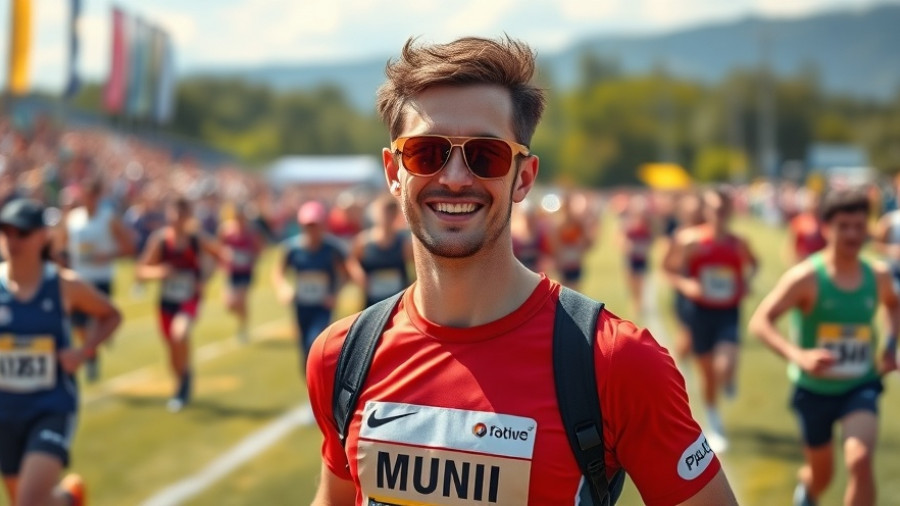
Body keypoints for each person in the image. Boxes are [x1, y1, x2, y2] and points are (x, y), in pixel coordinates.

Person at [306, 36, 736, 505]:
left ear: (524, 177)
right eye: (426, 153)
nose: (453, 177)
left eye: (484, 155)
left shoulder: (617, 364)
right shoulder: (340, 356)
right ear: (393, 172)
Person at [749, 188, 898, 506]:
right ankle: (808, 492)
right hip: (813, 391)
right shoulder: (806, 277)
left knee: (859, 461)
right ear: (826, 228)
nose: (853, 234)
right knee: (821, 476)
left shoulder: (878, 275)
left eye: (859, 226)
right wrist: (798, 355)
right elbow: (760, 322)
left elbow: (894, 306)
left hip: (860, 384)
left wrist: (889, 346)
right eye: (844, 226)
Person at [0, 198, 122, 506]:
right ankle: (70, 500)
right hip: (5, 410)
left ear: (43, 236)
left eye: (22, 233)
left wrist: (83, 352)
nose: (12, 241)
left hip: (50, 405)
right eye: (6, 231)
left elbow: (110, 314)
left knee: (28, 503)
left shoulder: (63, 285)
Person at [663, 187, 757, 453]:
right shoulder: (689, 240)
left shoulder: (739, 243)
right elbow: (667, 269)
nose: (720, 215)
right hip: (699, 311)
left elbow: (755, 263)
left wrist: (746, 282)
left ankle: (727, 377)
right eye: (715, 210)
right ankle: (714, 422)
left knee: (723, 365)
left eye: (724, 210)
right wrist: (687, 285)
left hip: (728, 310)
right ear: (706, 211)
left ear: (731, 212)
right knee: (707, 373)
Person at [136, 197, 225, 413]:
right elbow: (140, 271)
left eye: (181, 216)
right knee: (172, 349)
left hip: (189, 298)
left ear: (187, 217)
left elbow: (221, 255)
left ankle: (182, 387)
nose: (176, 221)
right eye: (173, 216)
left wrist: (205, 278)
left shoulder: (197, 239)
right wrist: (160, 272)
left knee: (180, 333)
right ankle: (183, 378)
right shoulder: (160, 241)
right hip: (167, 300)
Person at [55, 176, 135, 382]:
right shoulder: (72, 218)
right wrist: (63, 259)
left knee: (97, 323)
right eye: (85, 195)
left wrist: (107, 256)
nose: (88, 199)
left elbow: (129, 247)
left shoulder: (109, 218)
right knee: (79, 327)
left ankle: (91, 352)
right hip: (78, 279)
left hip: (101, 278)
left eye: (92, 195)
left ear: (98, 196)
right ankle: (92, 353)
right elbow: (60, 245)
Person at [273, 200, 348, 372]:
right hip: (301, 304)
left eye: (315, 225)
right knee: (304, 349)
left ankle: (323, 376)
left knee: (315, 341)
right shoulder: (292, 249)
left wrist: (335, 293)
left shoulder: (332, 249)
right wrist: (283, 288)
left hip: (323, 305)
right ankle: (311, 382)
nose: (311, 230)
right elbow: (278, 272)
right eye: (308, 225)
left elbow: (345, 274)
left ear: (323, 225)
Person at [347, 195, 413, 309]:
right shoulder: (363, 241)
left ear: (395, 215)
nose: (386, 217)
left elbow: (416, 267)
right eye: (383, 212)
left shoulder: (404, 243)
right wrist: (359, 275)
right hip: (372, 301)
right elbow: (352, 261)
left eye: (390, 212)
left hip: (397, 302)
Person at [218, 203, 264, 343]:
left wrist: (251, 258)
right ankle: (242, 320)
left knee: (241, 301)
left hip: (246, 270)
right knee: (230, 304)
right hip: (231, 271)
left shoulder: (251, 232)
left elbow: (259, 248)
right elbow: (219, 247)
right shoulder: (226, 230)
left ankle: (243, 327)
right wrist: (226, 255)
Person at [618, 194, 654, 317]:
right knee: (631, 282)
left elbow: (651, 239)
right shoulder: (628, 224)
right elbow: (620, 238)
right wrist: (626, 245)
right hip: (630, 258)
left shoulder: (648, 225)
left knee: (640, 281)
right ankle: (635, 302)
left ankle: (639, 304)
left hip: (642, 258)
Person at [786, 189, 826, 265]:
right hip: (802, 262)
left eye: (818, 200)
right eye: (813, 200)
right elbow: (792, 246)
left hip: (818, 265)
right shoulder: (799, 221)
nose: (816, 204)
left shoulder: (825, 224)